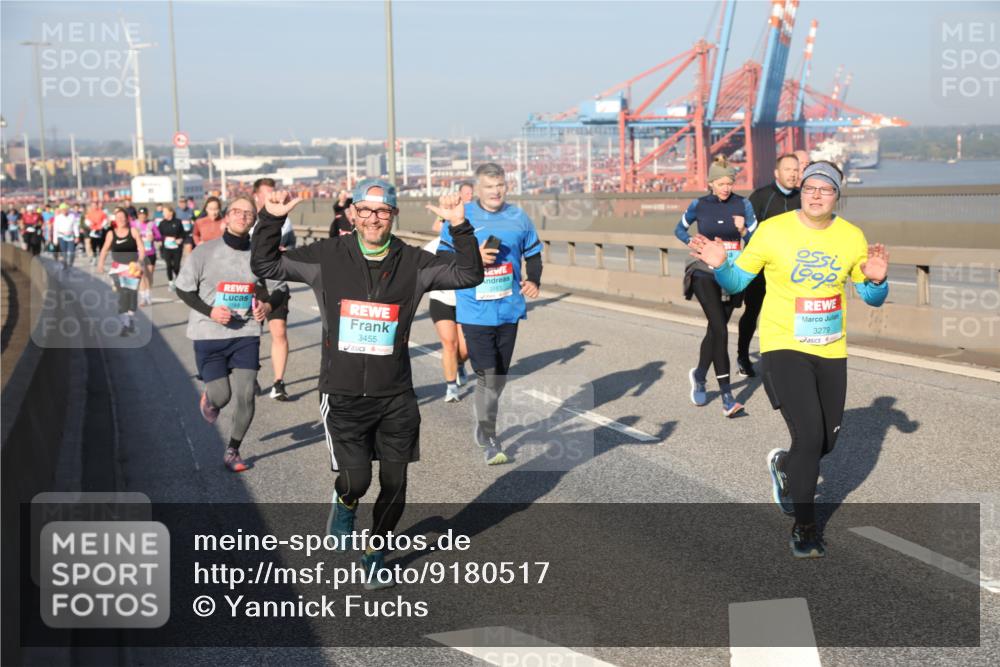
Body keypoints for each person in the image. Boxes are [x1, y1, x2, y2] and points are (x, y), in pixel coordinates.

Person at [251, 179, 483, 586]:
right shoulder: (326, 256)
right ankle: (345, 501)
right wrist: (270, 219)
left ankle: (375, 552)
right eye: (365, 210)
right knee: (356, 480)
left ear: (393, 216)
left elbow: (468, 274)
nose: (373, 219)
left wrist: (459, 226)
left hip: (395, 394)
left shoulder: (413, 262)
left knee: (395, 482)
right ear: (352, 214)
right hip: (342, 393)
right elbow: (266, 266)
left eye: (382, 212)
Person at [689, 160, 889, 559]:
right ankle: (805, 528)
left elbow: (871, 298)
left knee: (826, 443)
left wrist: (878, 280)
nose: (816, 195)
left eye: (826, 189)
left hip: (831, 349)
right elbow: (737, 281)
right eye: (810, 187)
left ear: (836, 196)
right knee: (810, 438)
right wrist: (721, 265)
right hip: (784, 346)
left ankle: (784, 466)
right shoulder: (773, 231)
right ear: (801, 191)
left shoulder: (851, 236)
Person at [438, 163, 543, 465]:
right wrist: (474, 256)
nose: (496, 192)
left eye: (500, 186)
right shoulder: (462, 216)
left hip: (508, 309)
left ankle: (485, 424)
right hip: (474, 309)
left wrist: (534, 280)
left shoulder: (518, 217)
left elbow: (533, 253)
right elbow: (442, 258)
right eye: (489, 186)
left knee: (499, 377)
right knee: (488, 374)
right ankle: (490, 436)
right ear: (477, 189)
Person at [175, 195, 287, 472]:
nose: (242, 216)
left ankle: (233, 450)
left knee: (246, 393)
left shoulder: (260, 255)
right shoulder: (204, 251)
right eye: (237, 211)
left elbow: (280, 288)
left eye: (248, 213)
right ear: (226, 216)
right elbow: (183, 288)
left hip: (245, 332)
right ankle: (211, 398)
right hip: (208, 333)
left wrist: (266, 305)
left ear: (253, 221)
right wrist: (211, 311)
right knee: (222, 396)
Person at [675, 155, 757, 417]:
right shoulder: (699, 205)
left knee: (715, 330)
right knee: (721, 329)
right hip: (703, 272)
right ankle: (727, 397)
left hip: (731, 273)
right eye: (721, 184)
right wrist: (690, 241)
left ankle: (699, 376)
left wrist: (744, 232)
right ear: (711, 183)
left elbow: (758, 239)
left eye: (729, 183)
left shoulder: (743, 204)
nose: (725, 188)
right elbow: (679, 230)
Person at [738, 153, 802, 377]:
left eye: (796, 169)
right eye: (788, 169)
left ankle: (787, 360)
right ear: (777, 173)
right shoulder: (760, 197)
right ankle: (743, 356)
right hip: (761, 269)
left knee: (790, 316)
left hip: (792, 271)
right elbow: (747, 233)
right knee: (753, 312)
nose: (793, 174)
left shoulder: (803, 198)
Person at [424, 182, 475, 402]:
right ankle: (451, 387)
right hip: (441, 300)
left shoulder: (469, 243)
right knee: (449, 344)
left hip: (465, 300)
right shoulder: (432, 246)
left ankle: (460, 363)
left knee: (465, 349)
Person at [251, 178, 293, 401]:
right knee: (251, 334)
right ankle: (250, 374)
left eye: (273, 191)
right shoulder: (246, 218)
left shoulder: (284, 219)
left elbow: (292, 246)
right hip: (251, 284)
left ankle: (278, 382)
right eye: (267, 193)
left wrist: (286, 250)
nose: (272, 196)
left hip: (276, 283)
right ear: (256, 196)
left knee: (279, 331)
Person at [97, 207, 144, 335]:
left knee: (132, 296)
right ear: (115, 220)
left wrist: (140, 262)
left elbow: (141, 248)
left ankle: (130, 318)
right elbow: (105, 249)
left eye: (123, 217)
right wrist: (100, 264)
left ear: (127, 219)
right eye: (118, 218)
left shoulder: (133, 231)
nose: (121, 220)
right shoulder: (111, 234)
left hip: (133, 268)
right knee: (123, 295)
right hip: (117, 269)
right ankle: (125, 324)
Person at [133, 207, 161, 305]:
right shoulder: (134, 224)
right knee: (142, 274)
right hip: (139, 253)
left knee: (149, 275)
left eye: (144, 215)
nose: (142, 217)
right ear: (138, 215)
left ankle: (148, 293)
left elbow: (159, 236)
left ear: (147, 215)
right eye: (140, 215)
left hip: (150, 253)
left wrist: (154, 237)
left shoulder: (151, 224)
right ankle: (142, 297)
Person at [157, 205, 185, 291]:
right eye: (163, 212)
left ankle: (178, 281)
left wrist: (180, 239)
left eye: (165, 212)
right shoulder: (162, 223)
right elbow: (158, 235)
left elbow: (183, 234)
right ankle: (171, 283)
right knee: (169, 265)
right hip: (166, 248)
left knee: (176, 266)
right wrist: (160, 240)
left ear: (171, 212)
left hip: (176, 248)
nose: (163, 214)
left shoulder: (178, 222)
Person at [52, 203, 78, 268]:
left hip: (70, 236)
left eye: (65, 209)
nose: (64, 211)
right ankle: (65, 264)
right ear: (61, 210)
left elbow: (75, 226)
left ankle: (71, 264)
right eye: (63, 210)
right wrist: (55, 239)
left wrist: (77, 236)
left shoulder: (72, 216)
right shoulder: (58, 218)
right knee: (64, 252)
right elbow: (55, 229)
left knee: (72, 252)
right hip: (61, 236)